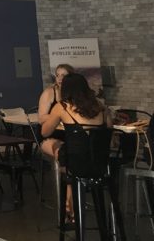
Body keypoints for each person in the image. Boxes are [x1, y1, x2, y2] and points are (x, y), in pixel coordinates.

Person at [41, 73, 111, 220]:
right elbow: (108, 130)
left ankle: (69, 203)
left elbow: (45, 132)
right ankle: (70, 197)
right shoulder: (100, 106)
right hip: (100, 165)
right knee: (70, 153)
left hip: (77, 164)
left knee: (50, 144)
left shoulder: (62, 107)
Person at [38, 63, 75, 157]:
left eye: (63, 75)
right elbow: (41, 118)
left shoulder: (76, 94)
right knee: (66, 150)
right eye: (57, 75)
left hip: (71, 131)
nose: (59, 78)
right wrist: (60, 116)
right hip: (52, 132)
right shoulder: (49, 92)